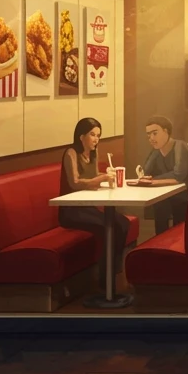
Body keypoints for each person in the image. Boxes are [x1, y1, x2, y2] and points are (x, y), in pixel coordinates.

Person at [57, 118, 131, 294]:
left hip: (88, 207)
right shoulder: (71, 153)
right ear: (81, 136)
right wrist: (102, 178)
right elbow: (75, 183)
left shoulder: (93, 153)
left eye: (98, 135)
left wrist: (107, 174)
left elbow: (93, 174)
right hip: (71, 210)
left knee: (123, 223)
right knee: (108, 227)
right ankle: (105, 279)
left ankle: (114, 271)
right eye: (92, 135)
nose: (96, 139)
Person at [141, 115, 188, 234]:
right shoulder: (157, 150)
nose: (151, 138)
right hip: (174, 193)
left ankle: (176, 240)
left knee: (174, 206)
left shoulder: (180, 146)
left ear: (166, 131)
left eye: (155, 133)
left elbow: (179, 175)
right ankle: (161, 241)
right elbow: (146, 172)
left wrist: (153, 180)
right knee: (160, 205)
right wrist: (148, 177)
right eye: (148, 135)